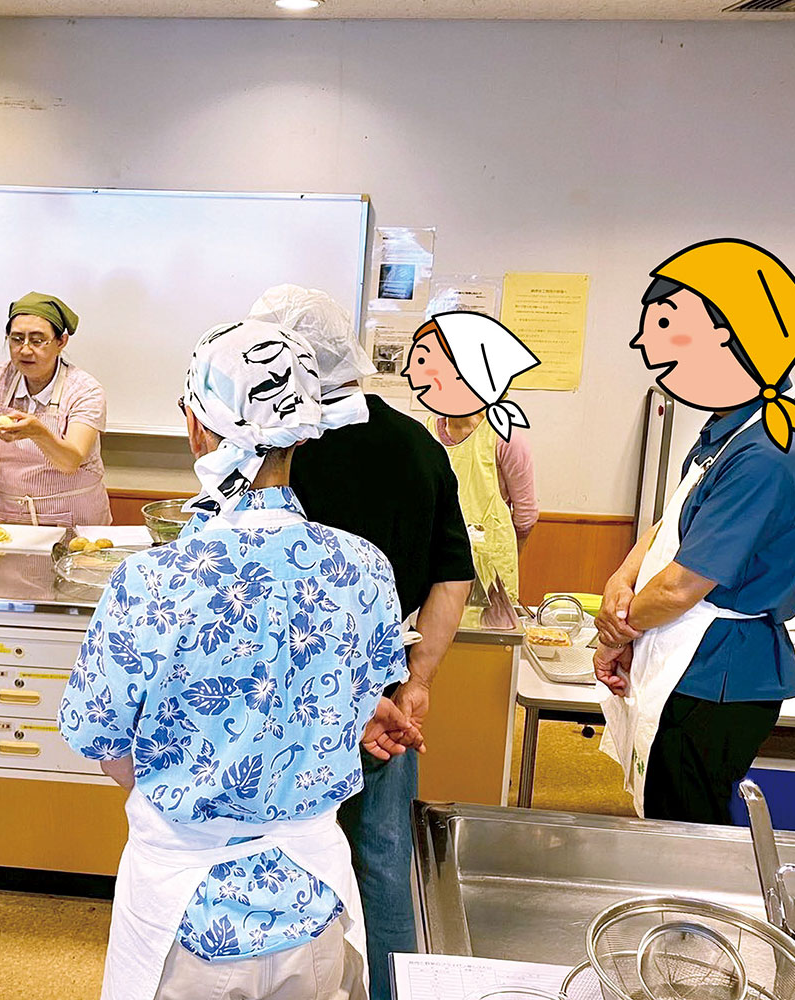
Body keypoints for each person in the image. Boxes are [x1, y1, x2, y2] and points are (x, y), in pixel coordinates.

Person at [59, 319, 419, 1000]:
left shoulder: (151, 581)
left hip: (185, 915)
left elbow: (104, 744)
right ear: (304, 433)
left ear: (198, 427)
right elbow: (355, 702)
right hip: (313, 904)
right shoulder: (364, 568)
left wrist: (200, 802)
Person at [253, 285, 473, 1000]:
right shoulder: (417, 445)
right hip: (383, 683)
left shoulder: (273, 451)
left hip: (281, 690)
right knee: (382, 856)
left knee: (279, 849)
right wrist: (418, 680)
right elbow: (451, 576)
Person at [594, 239, 795, 824]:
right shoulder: (730, 426)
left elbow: (682, 585)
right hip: (685, 652)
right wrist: (620, 581)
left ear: (728, 335)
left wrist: (616, 628)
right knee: (661, 810)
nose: (645, 343)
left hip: (717, 674)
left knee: (687, 830)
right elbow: (671, 522)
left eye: (666, 324)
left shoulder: (771, 451)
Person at [407, 312, 540, 603]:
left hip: (490, 568)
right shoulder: (426, 433)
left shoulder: (505, 437)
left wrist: (502, 553)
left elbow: (526, 516)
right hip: (436, 563)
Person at [0, 292, 112, 526]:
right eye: (16, 339)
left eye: (37, 340)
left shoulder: (84, 390)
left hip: (74, 518)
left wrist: (38, 432)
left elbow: (71, 461)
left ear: (61, 342)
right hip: (10, 518)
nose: (24, 350)